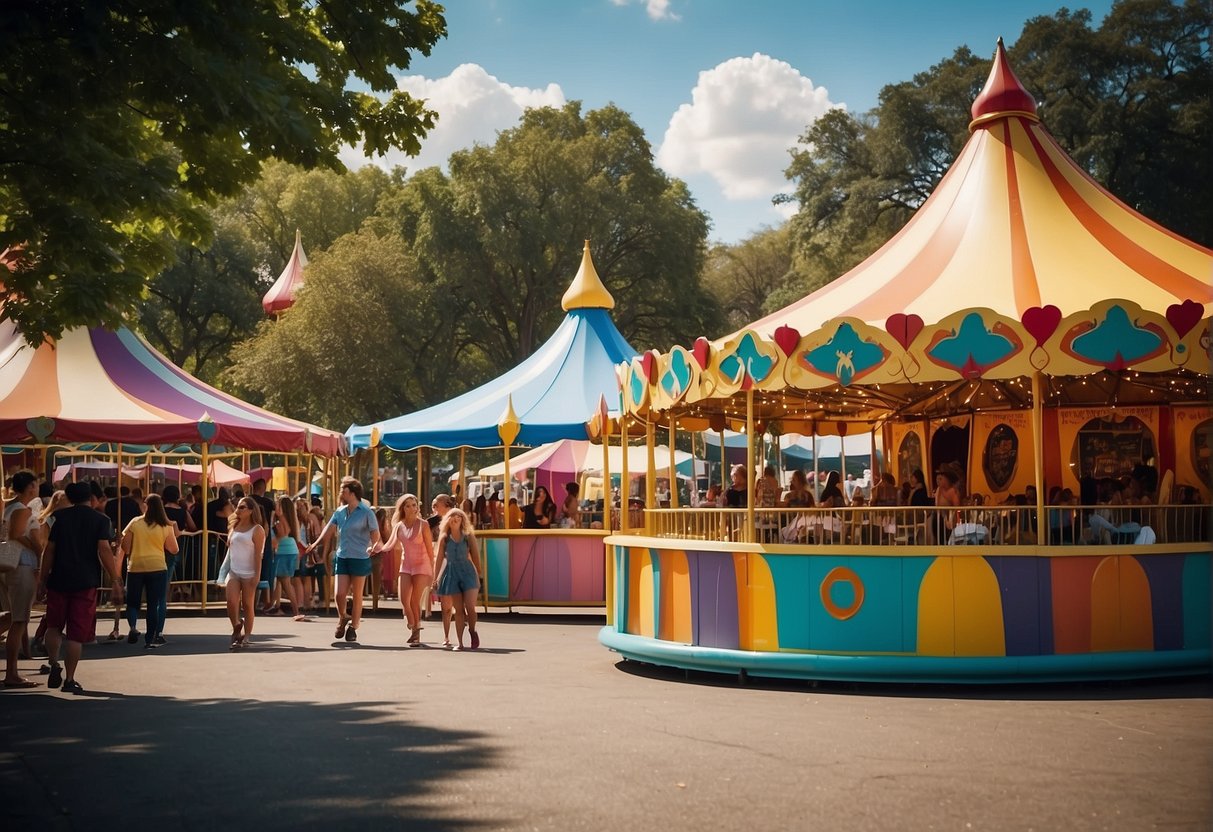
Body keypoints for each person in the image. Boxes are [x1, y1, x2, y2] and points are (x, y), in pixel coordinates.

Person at [39, 482, 124, 694]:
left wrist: (42, 579)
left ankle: (53, 662)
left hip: (58, 578)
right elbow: (104, 549)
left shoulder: (60, 518)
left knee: (53, 625)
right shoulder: (100, 520)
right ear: (92, 498)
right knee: (76, 635)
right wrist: (115, 578)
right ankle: (69, 678)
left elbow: (49, 550)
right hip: (86, 581)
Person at [304, 478, 380, 644]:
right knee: (339, 594)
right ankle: (343, 618)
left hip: (360, 556)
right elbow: (328, 530)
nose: (341, 493)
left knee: (357, 595)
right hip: (343, 555)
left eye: (344, 490)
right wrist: (315, 544)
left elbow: (375, 533)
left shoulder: (367, 512)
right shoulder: (340, 511)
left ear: (352, 493)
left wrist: (374, 546)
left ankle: (354, 627)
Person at [119, 494, 179, 649]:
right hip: (157, 566)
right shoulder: (166, 525)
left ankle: (132, 627)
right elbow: (174, 549)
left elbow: (125, 547)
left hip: (136, 566)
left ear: (146, 505)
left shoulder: (135, 522)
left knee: (133, 602)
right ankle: (149, 639)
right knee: (153, 604)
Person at [3, 471, 44, 688]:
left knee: (14, 618)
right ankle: (11, 673)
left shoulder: (10, 507)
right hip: (21, 565)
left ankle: (12, 672)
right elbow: (16, 535)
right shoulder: (20, 509)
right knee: (19, 620)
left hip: (12, 564)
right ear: (30, 486)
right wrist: (37, 548)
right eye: (36, 484)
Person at [375, 494, 434, 646]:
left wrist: (432, 571)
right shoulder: (398, 526)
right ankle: (413, 623)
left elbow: (429, 549)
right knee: (403, 599)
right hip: (406, 565)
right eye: (408, 505)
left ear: (417, 507)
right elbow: (389, 545)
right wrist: (377, 548)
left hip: (422, 564)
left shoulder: (423, 525)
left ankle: (416, 631)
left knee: (415, 599)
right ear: (403, 509)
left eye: (414, 505)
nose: (412, 508)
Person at [432, 508, 481, 651]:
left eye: (459, 516)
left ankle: (472, 630)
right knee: (458, 609)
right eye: (452, 516)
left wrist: (479, 573)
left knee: (470, 607)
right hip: (452, 572)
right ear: (448, 519)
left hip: (467, 572)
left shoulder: (468, 536)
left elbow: (476, 555)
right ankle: (460, 642)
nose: (455, 518)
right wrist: (435, 579)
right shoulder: (444, 538)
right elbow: (439, 559)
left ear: (462, 520)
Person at [224, 497, 265, 649]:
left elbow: (258, 555)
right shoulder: (234, 525)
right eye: (238, 506)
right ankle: (236, 625)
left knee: (248, 605)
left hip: (249, 572)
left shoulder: (257, 529)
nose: (238, 509)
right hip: (234, 570)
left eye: (242, 507)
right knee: (231, 601)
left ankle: (246, 635)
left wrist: (257, 575)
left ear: (251, 510)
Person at [272, 496, 306, 621]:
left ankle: (295, 610)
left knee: (285, 582)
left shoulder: (280, 521)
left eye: (277, 505)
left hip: (283, 551)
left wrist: (273, 542)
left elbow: (280, 536)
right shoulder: (291, 519)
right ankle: (276, 606)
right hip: (291, 550)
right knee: (282, 581)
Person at [933, 468, 961, 543]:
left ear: (946, 479)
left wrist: (956, 522)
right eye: (937, 478)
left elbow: (957, 508)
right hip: (940, 517)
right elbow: (937, 505)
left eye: (940, 479)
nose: (938, 481)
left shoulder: (953, 491)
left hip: (950, 519)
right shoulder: (938, 490)